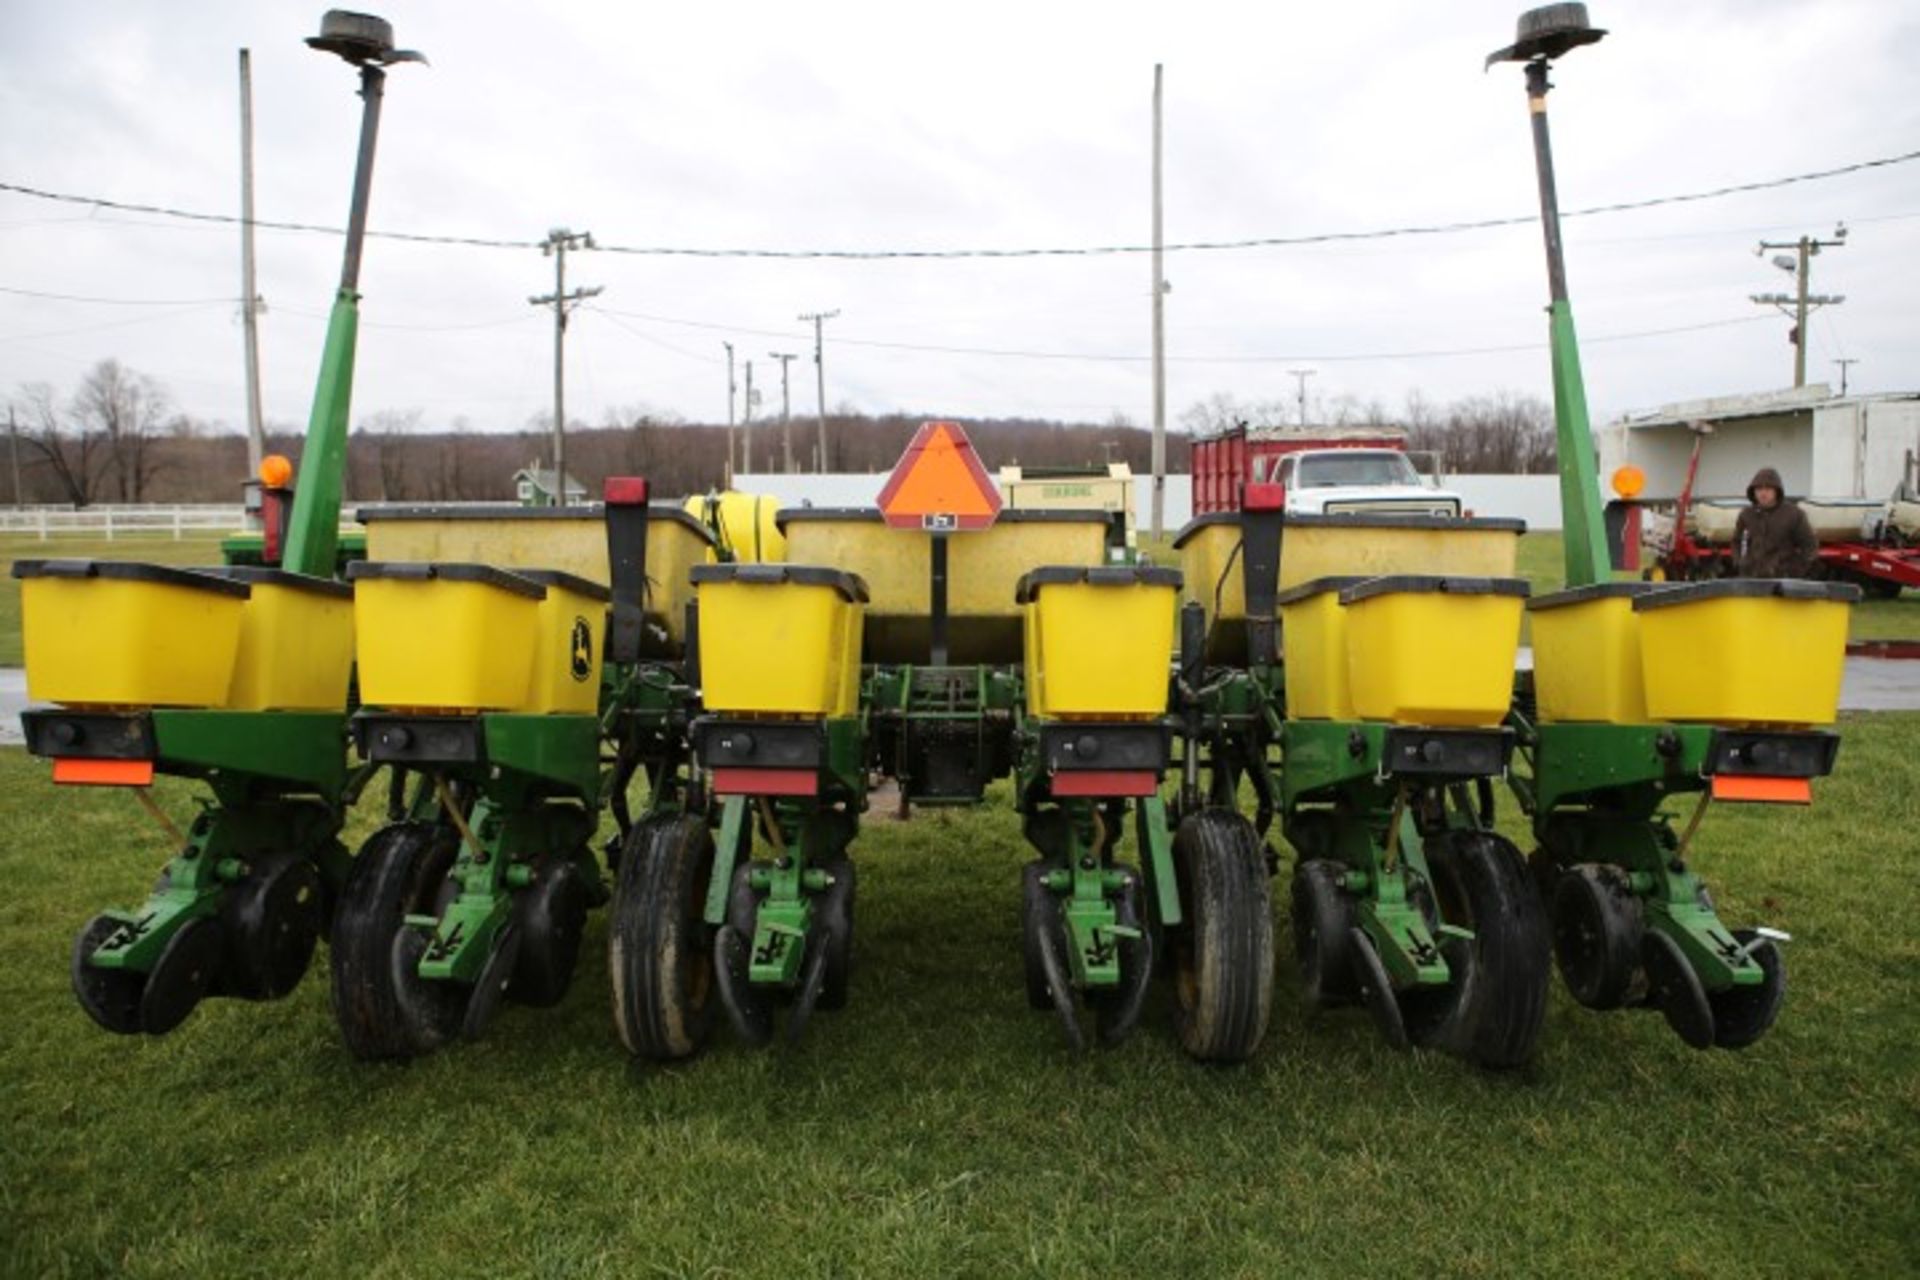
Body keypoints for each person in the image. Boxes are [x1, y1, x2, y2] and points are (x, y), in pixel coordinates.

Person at [1732, 466, 1817, 578]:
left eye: (1767, 489)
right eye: (1758, 489)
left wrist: (1795, 571)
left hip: (1784, 582)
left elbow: (1809, 546)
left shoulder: (1794, 514)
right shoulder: (1746, 515)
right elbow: (1737, 541)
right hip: (1751, 580)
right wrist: (1740, 562)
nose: (1763, 493)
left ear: (1777, 490)